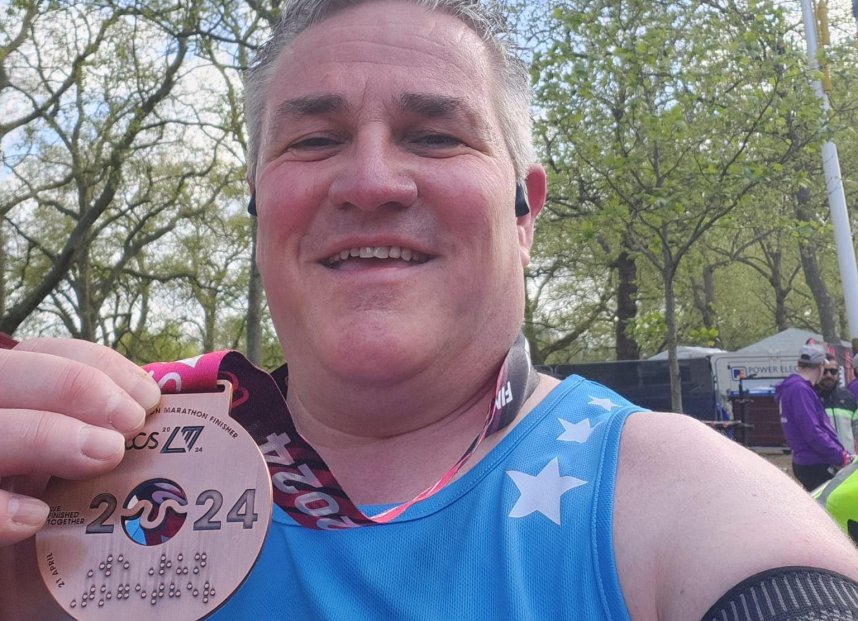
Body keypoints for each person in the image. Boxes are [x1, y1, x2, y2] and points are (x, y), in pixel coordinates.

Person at [2, 1, 858, 620]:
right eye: (314, 138)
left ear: (525, 214)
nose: (372, 181)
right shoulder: (85, 491)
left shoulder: (671, 493)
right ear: (261, 207)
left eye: (436, 134)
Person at [776, 344, 853, 491]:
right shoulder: (800, 390)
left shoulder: (793, 388)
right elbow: (812, 431)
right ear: (820, 366)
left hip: (807, 460)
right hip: (816, 462)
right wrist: (840, 456)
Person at [816, 354, 858, 454]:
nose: (829, 375)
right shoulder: (811, 397)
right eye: (825, 371)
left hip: (848, 461)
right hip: (821, 462)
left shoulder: (848, 397)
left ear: (838, 373)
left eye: (833, 371)